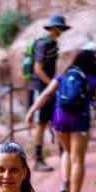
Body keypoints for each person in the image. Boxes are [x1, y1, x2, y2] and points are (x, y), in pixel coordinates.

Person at [25, 46, 96, 192]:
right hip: (80, 119)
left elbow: (47, 94)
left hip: (59, 118)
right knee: (78, 160)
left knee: (66, 152)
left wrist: (32, 111)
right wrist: (88, 102)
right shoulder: (94, 77)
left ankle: (64, 182)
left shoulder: (63, 73)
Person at [25, 14, 71, 172]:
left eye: (62, 28)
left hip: (47, 86)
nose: (61, 31)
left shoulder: (53, 44)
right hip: (39, 87)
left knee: (53, 119)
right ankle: (38, 159)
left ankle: (63, 153)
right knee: (41, 122)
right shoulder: (43, 44)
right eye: (59, 28)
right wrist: (52, 84)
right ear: (52, 28)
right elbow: (38, 69)